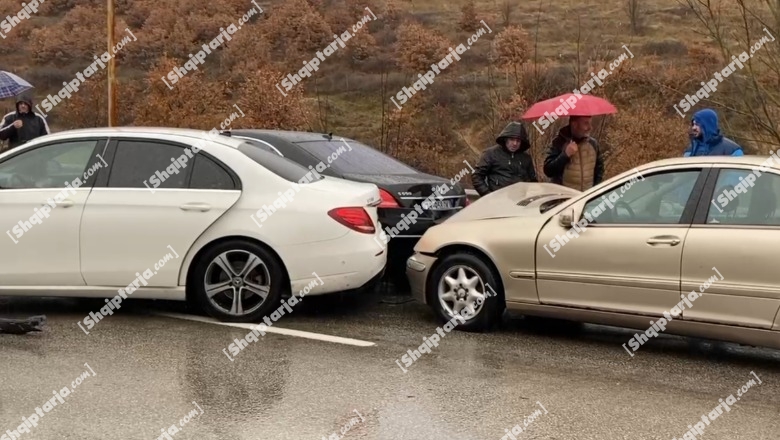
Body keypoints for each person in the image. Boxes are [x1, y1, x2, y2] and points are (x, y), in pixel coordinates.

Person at [471, 121, 537, 196]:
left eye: (518, 141)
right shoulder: (491, 154)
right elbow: (477, 176)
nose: (515, 143)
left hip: (520, 201)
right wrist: (487, 194)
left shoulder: (526, 158)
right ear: (506, 139)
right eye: (512, 139)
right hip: (498, 200)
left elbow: (533, 181)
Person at [543, 116, 605, 191]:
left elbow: (600, 169)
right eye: (586, 123)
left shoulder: (593, 144)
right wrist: (565, 155)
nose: (590, 127)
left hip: (587, 198)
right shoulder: (559, 142)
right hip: (566, 199)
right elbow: (548, 171)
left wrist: (594, 191)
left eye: (590, 123)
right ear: (574, 125)